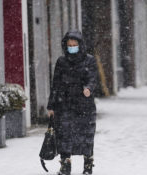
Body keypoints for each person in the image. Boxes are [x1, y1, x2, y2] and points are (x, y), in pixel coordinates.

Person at [47, 30, 98, 175]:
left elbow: (93, 78)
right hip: (65, 104)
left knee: (86, 135)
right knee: (64, 134)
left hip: (84, 105)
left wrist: (88, 88)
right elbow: (55, 84)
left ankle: (88, 165)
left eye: (75, 44)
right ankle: (65, 165)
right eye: (69, 45)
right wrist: (51, 105)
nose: (72, 47)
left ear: (80, 45)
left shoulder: (89, 60)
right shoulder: (61, 62)